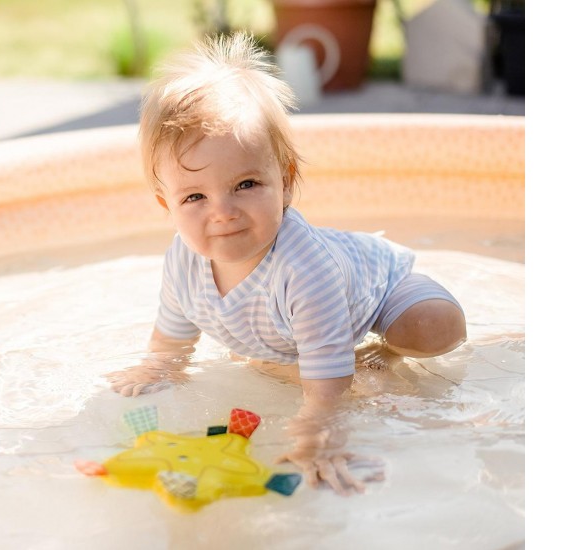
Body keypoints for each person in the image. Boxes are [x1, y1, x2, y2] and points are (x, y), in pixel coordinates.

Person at [106, 32, 466, 495]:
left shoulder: (304, 268)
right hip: (308, 325)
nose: (223, 211)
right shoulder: (182, 257)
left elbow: (326, 382)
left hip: (383, 288)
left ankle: (389, 351)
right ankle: (316, 360)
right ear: (166, 204)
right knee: (274, 358)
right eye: (195, 196)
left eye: (246, 184)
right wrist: (160, 366)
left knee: (435, 327)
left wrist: (321, 428)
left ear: (287, 181)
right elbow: (174, 328)